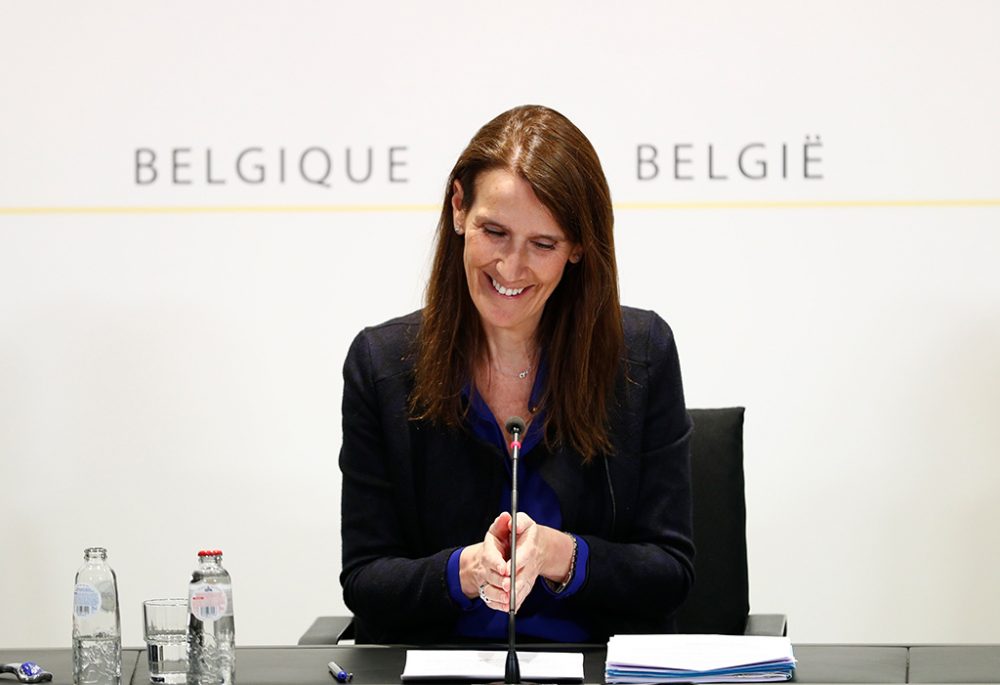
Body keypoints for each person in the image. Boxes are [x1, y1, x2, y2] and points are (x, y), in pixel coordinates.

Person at [339, 105, 694, 644]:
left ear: (577, 247)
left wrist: (562, 555)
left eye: (543, 244)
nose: (510, 267)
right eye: (495, 232)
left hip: (596, 671)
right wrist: (464, 571)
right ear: (459, 209)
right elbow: (365, 580)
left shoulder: (640, 354)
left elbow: (671, 575)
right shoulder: (382, 363)